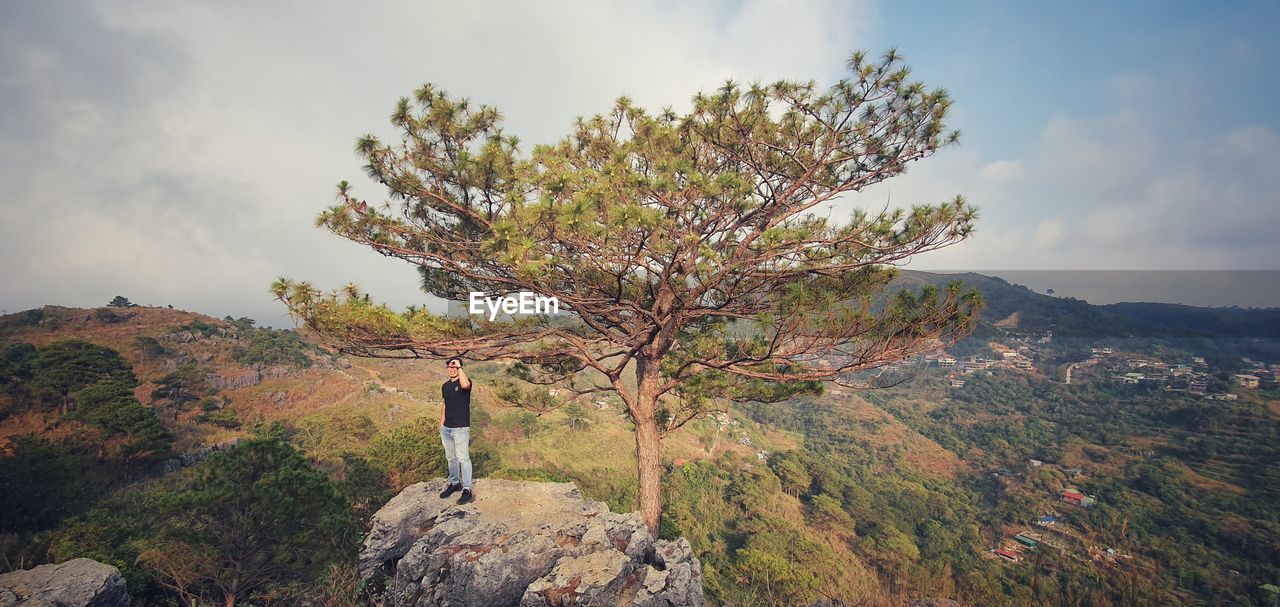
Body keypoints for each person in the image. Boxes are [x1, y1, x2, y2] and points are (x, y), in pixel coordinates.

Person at [438, 357, 474, 504]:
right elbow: (445, 405)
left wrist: (459, 368)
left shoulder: (465, 382)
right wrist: (441, 424)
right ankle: (454, 483)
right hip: (447, 428)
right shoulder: (445, 386)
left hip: (460, 428)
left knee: (463, 458)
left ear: (460, 368)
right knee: (451, 458)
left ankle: (467, 489)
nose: (452, 369)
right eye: (450, 367)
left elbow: (465, 385)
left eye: (455, 366)